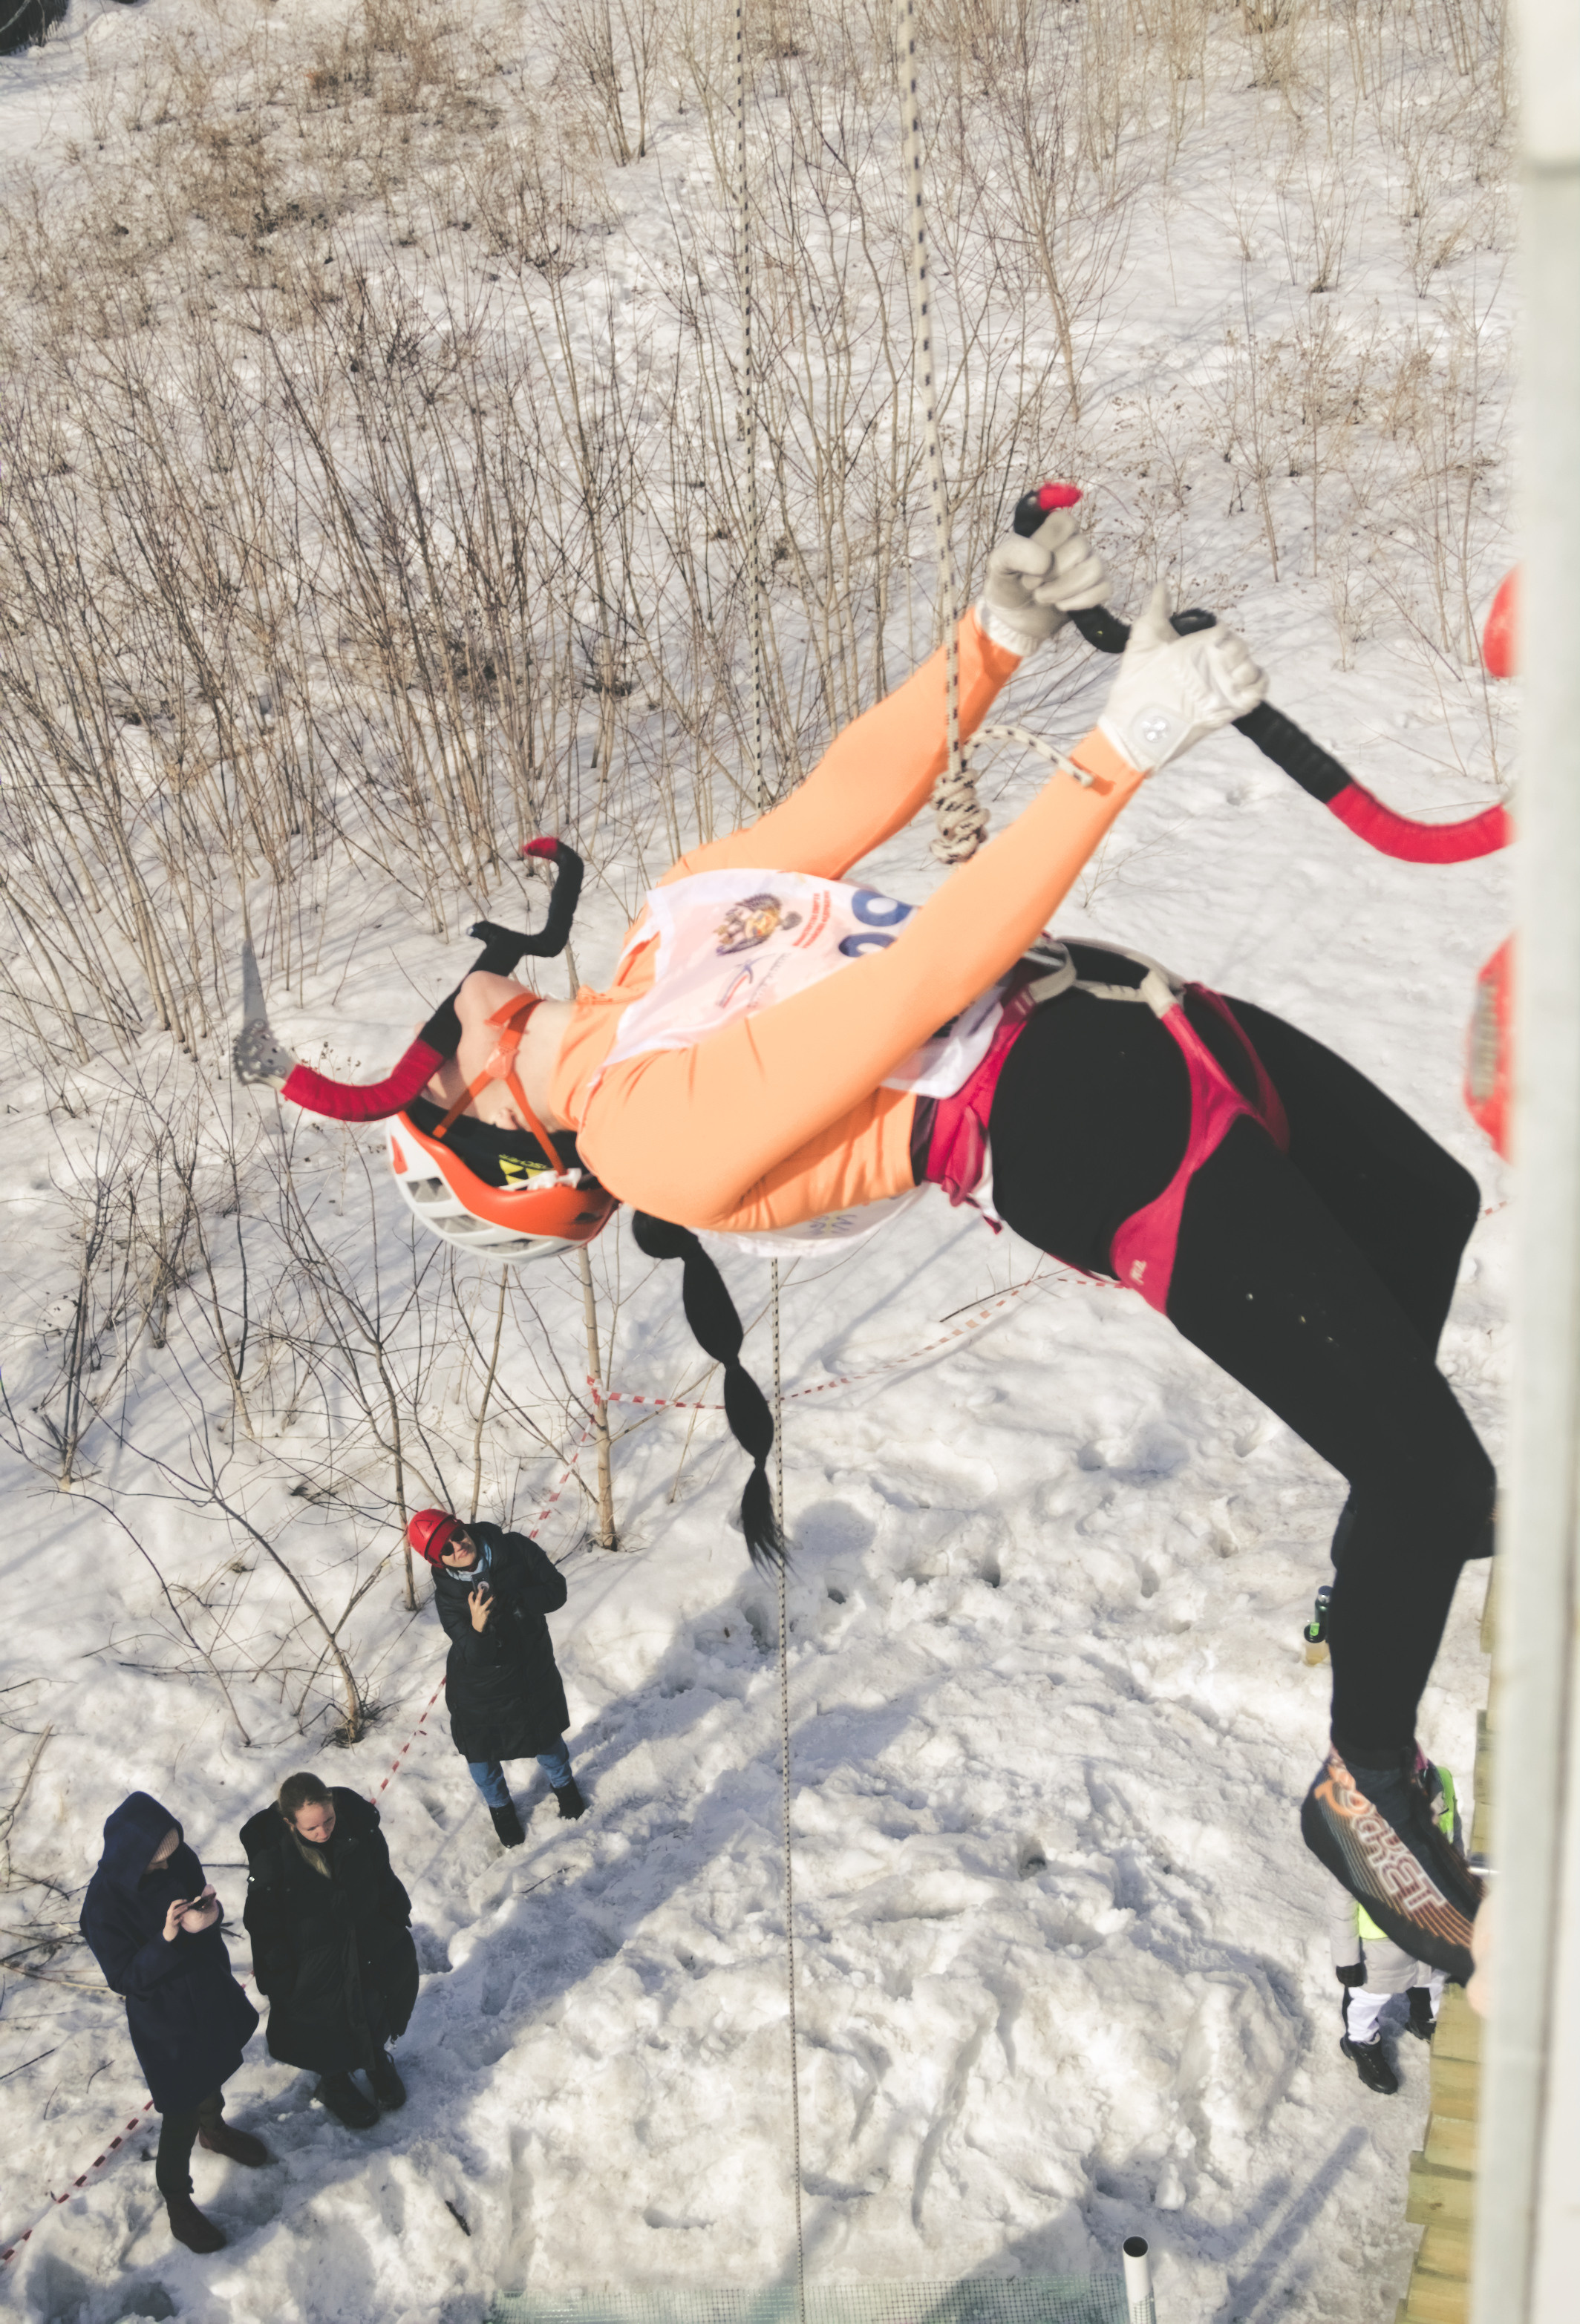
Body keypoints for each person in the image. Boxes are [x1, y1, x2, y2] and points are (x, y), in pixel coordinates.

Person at [279, 513, 1489, 1980]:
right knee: (1437, 1478)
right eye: (427, 1076)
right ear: (504, 1152)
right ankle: (1360, 1768)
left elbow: (845, 793)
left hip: (1136, 1012)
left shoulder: (659, 949)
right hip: (1081, 1134)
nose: (437, 1017)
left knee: (1428, 1212)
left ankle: (1387, 1536)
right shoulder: (645, 1136)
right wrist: (1116, 751)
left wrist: (989, 640)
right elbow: (918, 980)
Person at [79, 1793, 267, 2254]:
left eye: (171, 1857)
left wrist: (210, 1916)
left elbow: (199, 1898)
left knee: (217, 2067)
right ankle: (178, 2203)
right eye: (156, 1863)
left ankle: (215, 2129)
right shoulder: (102, 1909)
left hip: (206, 1989)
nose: (168, 1867)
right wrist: (167, 1939)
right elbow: (124, 1978)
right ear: (132, 1857)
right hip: (166, 2020)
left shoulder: (178, 1856)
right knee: (180, 2109)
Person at [240, 1773, 419, 2131]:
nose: (324, 1832)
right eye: (312, 1828)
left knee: (373, 2003)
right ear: (290, 1823)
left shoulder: (360, 1831)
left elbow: (381, 1874)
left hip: (367, 1940)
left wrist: (394, 1913)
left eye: (329, 1820)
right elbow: (264, 1923)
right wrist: (278, 1974)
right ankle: (334, 2082)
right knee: (325, 2025)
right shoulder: (273, 1860)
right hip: (313, 1960)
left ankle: (376, 2062)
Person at [407, 1508, 587, 1846]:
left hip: (531, 1668)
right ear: (439, 1561)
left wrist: (516, 1598)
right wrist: (478, 1625)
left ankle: (566, 1789)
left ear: (463, 1528)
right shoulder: (448, 1596)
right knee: (482, 1756)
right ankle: (501, 1811)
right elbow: (475, 1656)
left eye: (457, 1535)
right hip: (479, 1688)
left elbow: (556, 1591)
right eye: (446, 1549)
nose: (458, 1547)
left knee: (545, 1738)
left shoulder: (515, 1549)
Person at [1327, 1750, 1461, 2094]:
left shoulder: (1439, 1783)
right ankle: (1360, 2042)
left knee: (1432, 1979)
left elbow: (1453, 1843)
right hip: (1381, 1940)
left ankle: (1424, 2019)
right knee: (1368, 1997)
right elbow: (1342, 1898)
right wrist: (1347, 1960)